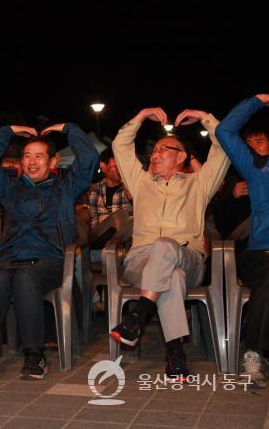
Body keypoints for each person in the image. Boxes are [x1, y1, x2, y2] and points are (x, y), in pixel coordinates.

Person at [109, 107, 230, 381]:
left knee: (167, 248)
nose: (156, 153)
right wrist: (139, 116)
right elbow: (120, 145)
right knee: (171, 276)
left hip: (189, 258)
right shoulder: (140, 182)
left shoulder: (199, 183)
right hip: (141, 260)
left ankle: (138, 315)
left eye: (165, 149)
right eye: (154, 150)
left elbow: (223, 148)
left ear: (182, 156)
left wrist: (205, 117)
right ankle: (175, 353)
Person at [0, 122, 98, 380]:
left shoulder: (66, 188)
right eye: (27, 156)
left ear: (53, 160)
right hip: (12, 258)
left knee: (26, 277)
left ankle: (34, 353)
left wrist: (68, 129)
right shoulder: (11, 190)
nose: (31, 162)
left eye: (39, 156)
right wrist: (7, 130)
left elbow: (89, 158)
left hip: (49, 261)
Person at [215, 94, 269, 387]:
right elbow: (224, 131)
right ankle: (254, 352)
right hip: (262, 252)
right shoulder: (260, 167)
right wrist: (259, 101)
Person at [88, 149, 132, 230]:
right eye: (116, 166)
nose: (120, 170)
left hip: (126, 239)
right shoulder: (96, 190)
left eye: (121, 165)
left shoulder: (130, 188)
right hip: (102, 239)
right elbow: (93, 219)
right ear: (104, 167)